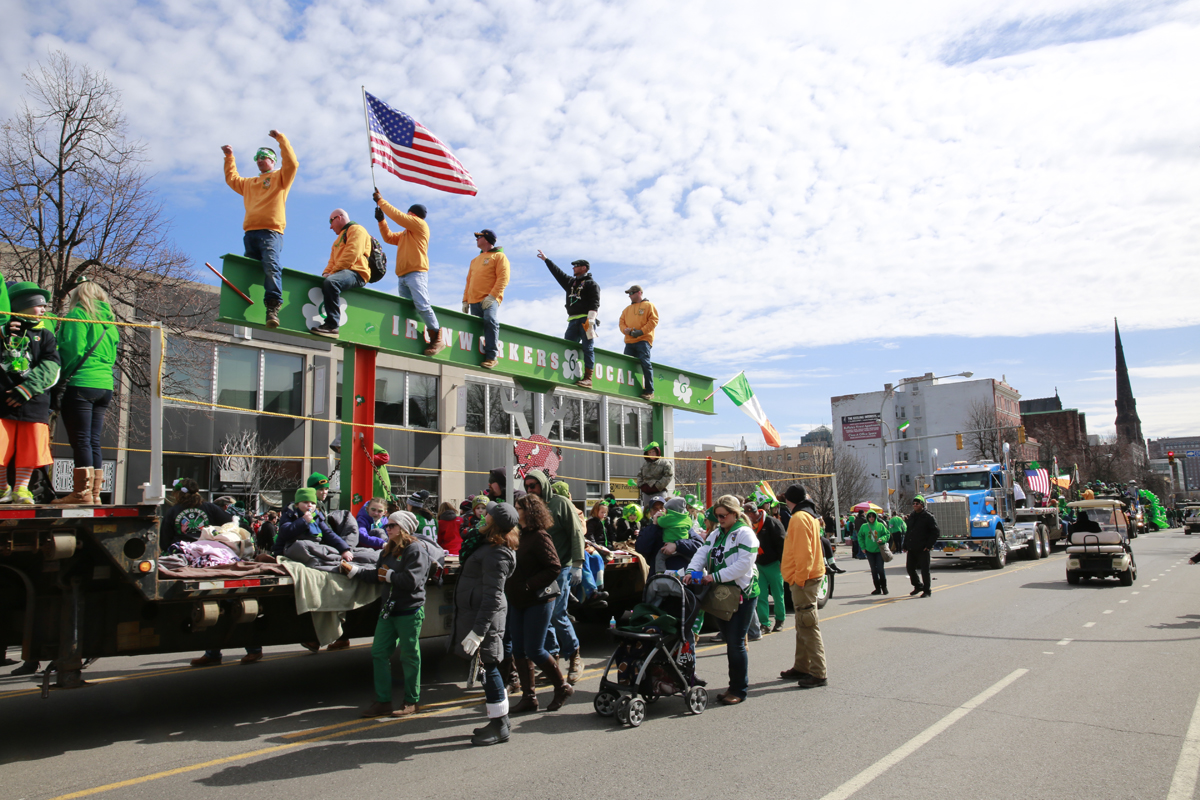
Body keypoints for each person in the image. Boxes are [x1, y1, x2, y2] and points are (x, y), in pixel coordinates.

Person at [343, 510, 434, 718]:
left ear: (403, 528)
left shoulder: (416, 549)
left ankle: (411, 701)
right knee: (379, 652)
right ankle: (383, 701)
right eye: (387, 525)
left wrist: (390, 575)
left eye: (392, 525)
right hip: (389, 610)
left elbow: (413, 581)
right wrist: (355, 571)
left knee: (409, 656)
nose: (387, 529)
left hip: (409, 610)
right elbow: (378, 575)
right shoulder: (387, 549)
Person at [453, 501, 519, 745]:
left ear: (493, 521)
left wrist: (478, 632)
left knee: (488, 668)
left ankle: (499, 725)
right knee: (487, 669)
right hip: (479, 615)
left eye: (488, 514)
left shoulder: (497, 553)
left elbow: (493, 597)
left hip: (485, 619)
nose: (483, 515)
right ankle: (500, 721)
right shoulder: (488, 545)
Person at [683, 494, 760, 705]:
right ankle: (733, 686)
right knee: (730, 641)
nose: (719, 519)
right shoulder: (717, 533)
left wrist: (714, 576)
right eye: (717, 516)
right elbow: (702, 552)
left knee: (736, 643)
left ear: (735, 514)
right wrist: (691, 571)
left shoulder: (745, 533)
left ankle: (739, 689)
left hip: (742, 593)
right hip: (722, 592)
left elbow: (743, 565)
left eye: (723, 515)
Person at [222, 130, 297, 329]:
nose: (260, 160)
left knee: (271, 266)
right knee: (250, 270)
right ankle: (246, 305)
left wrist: (281, 139)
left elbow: (292, 164)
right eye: (257, 157)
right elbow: (232, 179)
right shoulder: (250, 183)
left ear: (272, 160)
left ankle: (273, 306)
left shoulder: (280, 178)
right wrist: (229, 157)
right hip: (250, 234)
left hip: (271, 232)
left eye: (264, 157)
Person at [52, 281, 119, 505]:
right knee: (93, 440)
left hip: (81, 382)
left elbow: (73, 349)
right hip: (105, 385)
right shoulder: (110, 323)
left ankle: (82, 493)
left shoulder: (78, 315)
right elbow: (112, 357)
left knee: (80, 439)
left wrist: (60, 375)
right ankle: (95, 493)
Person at [506, 494, 572, 713]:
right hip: (518, 600)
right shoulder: (518, 534)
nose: (515, 511)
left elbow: (554, 567)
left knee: (534, 649)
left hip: (538, 600)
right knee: (518, 649)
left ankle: (562, 687)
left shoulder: (540, 536)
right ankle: (529, 697)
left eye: (518, 508)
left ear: (529, 512)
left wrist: (529, 585)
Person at [521, 470, 585, 684]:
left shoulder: (560, 503)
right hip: (539, 569)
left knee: (558, 613)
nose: (530, 489)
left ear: (543, 484)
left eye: (533, 485)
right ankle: (552, 661)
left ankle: (574, 655)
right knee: (543, 615)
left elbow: (575, 532)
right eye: (527, 486)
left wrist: (577, 563)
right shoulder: (529, 506)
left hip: (561, 566)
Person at [0, 282, 61, 505]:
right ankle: (2, 488)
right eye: (38, 304)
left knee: (31, 446)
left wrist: (27, 389)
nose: (44, 309)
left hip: (33, 401)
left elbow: (52, 366)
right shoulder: (3, 332)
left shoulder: (45, 335)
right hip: (3, 400)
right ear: (21, 305)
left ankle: (21, 489)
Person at [372, 190, 443, 356]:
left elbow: (398, 216)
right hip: (403, 276)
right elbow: (389, 237)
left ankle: (437, 337)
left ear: (412, 214)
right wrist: (381, 221)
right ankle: (412, 337)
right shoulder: (406, 233)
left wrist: (381, 201)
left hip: (416, 273)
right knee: (407, 309)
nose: (406, 216)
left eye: (408, 214)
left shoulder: (420, 225)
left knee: (422, 304)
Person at [779, 484, 827, 689]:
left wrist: (798, 579)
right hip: (810, 576)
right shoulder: (809, 515)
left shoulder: (798, 518)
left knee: (807, 625)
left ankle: (818, 672)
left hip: (804, 580)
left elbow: (803, 553)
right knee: (803, 625)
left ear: (790, 500)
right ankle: (802, 666)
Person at [537, 250, 600, 388]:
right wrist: (546, 260)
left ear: (584, 268)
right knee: (567, 347)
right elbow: (558, 273)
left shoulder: (592, 284)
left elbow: (595, 302)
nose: (573, 268)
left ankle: (588, 378)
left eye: (576, 266)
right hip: (572, 321)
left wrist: (591, 319)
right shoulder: (571, 283)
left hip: (586, 320)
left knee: (588, 348)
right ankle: (565, 373)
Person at [310, 208, 370, 339]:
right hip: (343, 272)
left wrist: (332, 274)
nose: (330, 227)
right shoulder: (337, 241)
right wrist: (326, 273)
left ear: (339, 217)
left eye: (331, 221)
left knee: (331, 282)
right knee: (328, 280)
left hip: (357, 273)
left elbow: (352, 254)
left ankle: (332, 325)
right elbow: (332, 261)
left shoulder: (357, 230)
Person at [461, 229, 510, 369]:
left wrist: (492, 296)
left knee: (490, 320)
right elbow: (469, 281)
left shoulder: (500, 257)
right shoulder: (474, 260)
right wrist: (465, 300)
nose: (477, 239)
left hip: (489, 299)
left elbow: (503, 278)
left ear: (487, 239)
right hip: (473, 301)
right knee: (475, 328)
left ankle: (491, 356)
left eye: (479, 236)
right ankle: (476, 356)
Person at [749, 497, 788, 632]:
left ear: (755, 513)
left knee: (778, 594)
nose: (749, 518)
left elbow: (782, 543)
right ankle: (764, 623)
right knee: (761, 595)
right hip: (759, 564)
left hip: (774, 563)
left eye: (750, 515)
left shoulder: (772, 522)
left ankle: (780, 619)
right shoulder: (748, 525)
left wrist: (782, 561)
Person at [619, 285, 659, 400]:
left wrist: (641, 332)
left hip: (643, 340)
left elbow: (653, 320)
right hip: (629, 341)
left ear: (639, 293)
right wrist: (625, 330)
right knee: (626, 365)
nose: (630, 296)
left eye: (631, 293)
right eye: (629, 294)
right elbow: (621, 323)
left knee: (645, 363)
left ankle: (649, 391)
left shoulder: (649, 305)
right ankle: (626, 389)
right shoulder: (626, 310)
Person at [904, 496, 940, 598]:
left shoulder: (928, 517)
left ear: (922, 505)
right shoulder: (912, 516)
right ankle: (918, 585)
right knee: (910, 568)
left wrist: (928, 545)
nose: (915, 505)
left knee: (925, 570)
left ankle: (927, 590)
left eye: (917, 503)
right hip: (912, 547)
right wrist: (905, 544)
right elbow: (908, 532)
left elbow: (935, 532)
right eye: (914, 504)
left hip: (923, 548)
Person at [858, 510, 890, 595]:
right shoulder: (864, 526)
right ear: (867, 517)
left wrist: (882, 539)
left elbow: (887, 534)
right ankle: (877, 588)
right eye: (869, 516)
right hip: (869, 551)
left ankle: (884, 587)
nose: (871, 518)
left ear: (875, 517)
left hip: (879, 550)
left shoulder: (880, 525)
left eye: (873, 516)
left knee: (880, 569)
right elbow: (860, 537)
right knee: (873, 570)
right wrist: (863, 547)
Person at [636, 442, 674, 509]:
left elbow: (669, 475)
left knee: (660, 509)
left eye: (653, 452)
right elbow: (639, 475)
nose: (651, 454)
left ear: (657, 451)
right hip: (646, 493)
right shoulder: (645, 464)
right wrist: (642, 486)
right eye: (649, 452)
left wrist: (657, 486)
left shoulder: (664, 462)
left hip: (659, 492)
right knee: (647, 510)